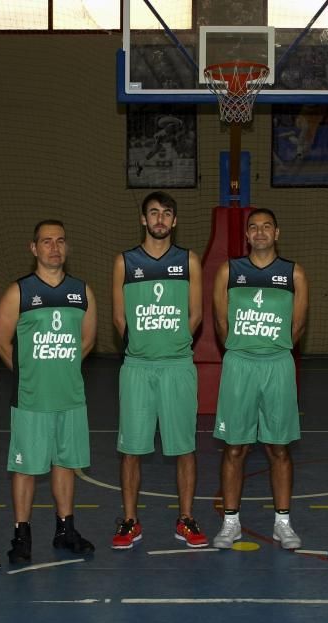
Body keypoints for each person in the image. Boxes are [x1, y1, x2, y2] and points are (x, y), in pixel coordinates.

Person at [0, 220, 96, 563]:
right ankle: (21, 535)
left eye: (60, 241)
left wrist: (61, 368)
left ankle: (65, 530)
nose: (54, 247)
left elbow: (88, 340)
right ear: (33, 248)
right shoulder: (19, 292)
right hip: (31, 399)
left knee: (65, 465)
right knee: (25, 468)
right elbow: (0, 341)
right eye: (47, 241)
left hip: (70, 397)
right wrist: (29, 374)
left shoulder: (82, 291)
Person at [111, 192, 206, 549]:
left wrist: (174, 342)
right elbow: (119, 318)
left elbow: (196, 315)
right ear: (143, 219)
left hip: (177, 366)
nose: (160, 219)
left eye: (166, 214)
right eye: (154, 213)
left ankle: (185, 518)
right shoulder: (124, 262)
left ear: (175, 221)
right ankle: (130, 521)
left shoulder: (188, 261)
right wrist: (142, 345)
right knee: (131, 449)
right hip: (136, 368)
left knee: (184, 447)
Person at [211, 208, 309, 550]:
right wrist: (243, 350)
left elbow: (297, 327)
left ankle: (282, 522)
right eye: (254, 227)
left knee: (278, 448)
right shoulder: (230, 271)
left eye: (267, 226)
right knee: (234, 447)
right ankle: (230, 522)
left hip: (278, 366)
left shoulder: (293, 273)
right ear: (247, 235)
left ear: (277, 232)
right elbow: (221, 324)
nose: (261, 232)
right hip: (239, 365)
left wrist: (272, 351)